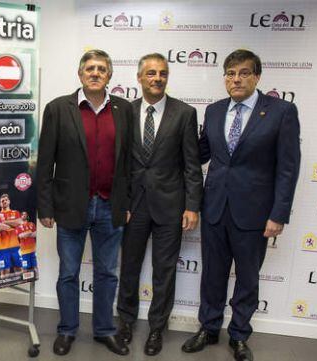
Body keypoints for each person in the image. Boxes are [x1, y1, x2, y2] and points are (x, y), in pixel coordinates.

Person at [182, 49, 300, 361]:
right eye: (231, 73)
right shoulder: (215, 110)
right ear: (225, 78)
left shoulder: (281, 111)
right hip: (215, 208)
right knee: (212, 274)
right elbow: (201, 153)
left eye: (244, 73)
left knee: (247, 278)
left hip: (255, 213)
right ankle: (208, 328)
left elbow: (288, 168)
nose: (236, 79)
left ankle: (239, 335)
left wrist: (279, 214)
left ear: (257, 77)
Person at [35, 49, 133, 356]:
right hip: (70, 206)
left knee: (107, 273)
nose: (95, 72)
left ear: (109, 75)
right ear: (80, 74)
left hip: (110, 206)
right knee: (68, 273)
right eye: (89, 68)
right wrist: (45, 207)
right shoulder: (58, 108)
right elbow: (45, 164)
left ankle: (105, 330)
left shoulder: (123, 109)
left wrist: (126, 203)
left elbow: (128, 163)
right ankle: (67, 330)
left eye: (101, 68)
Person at [116, 53, 203, 356]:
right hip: (133, 206)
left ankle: (156, 329)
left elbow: (192, 164)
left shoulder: (184, 113)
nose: (157, 78)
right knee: (128, 267)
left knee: (164, 271)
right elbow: (120, 163)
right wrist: (120, 202)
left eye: (162, 73)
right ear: (139, 78)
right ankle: (124, 322)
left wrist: (192, 206)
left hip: (171, 206)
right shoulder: (125, 111)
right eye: (151, 73)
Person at [0, 194, 23, 276]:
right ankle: (5, 289)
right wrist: (13, 224)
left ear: (9, 201)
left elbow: (20, 223)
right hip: (2, 248)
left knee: (20, 269)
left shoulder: (16, 213)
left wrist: (5, 222)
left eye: (6, 200)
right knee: (5, 272)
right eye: (2, 201)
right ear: (0, 204)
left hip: (16, 246)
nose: (4, 201)